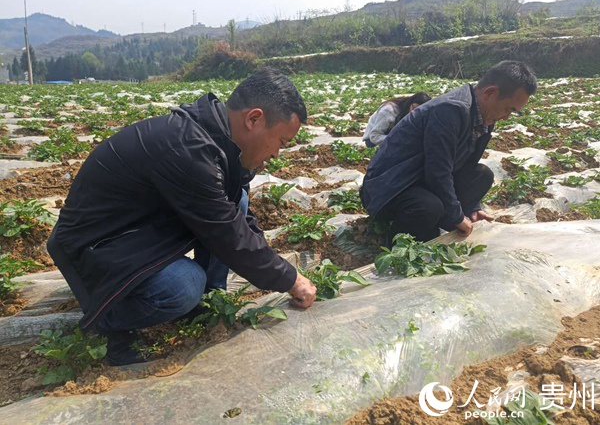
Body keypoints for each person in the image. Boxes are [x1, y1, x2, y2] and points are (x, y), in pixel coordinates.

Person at [47, 68, 317, 366]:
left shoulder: (216, 142)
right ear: (253, 119)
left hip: (134, 228)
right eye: (281, 140)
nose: (278, 154)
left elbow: (236, 220)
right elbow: (227, 234)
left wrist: (272, 262)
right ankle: (111, 320)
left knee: (236, 199)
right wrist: (290, 278)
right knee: (183, 286)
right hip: (94, 245)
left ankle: (207, 302)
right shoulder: (188, 149)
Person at [360, 60, 537, 244]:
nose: (507, 117)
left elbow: (466, 166)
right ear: (490, 93)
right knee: (429, 208)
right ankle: (396, 242)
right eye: (509, 109)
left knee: (482, 175)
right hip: (389, 187)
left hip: (419, 180)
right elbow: (438, 171)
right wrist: (457, 217)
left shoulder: (485, 118)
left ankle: (436, 220)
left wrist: (471, 208)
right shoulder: (450, 110)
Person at [362, 92, 432, 148]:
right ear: (410, 103)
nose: (416, 113)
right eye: (414, 109)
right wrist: (400, 140)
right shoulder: (389, 110)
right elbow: (374, 137)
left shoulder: (416, 113)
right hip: (373, 141)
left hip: (394, 135)